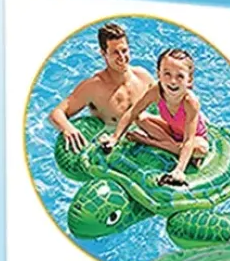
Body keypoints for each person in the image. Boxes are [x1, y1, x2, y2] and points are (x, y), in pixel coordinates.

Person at [99, 48, 209, 187]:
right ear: (158, 74)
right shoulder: (157, 91)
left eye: (180, 76)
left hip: (194, 137)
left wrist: (179, 170)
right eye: (167, 74)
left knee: (201, 149)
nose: (173, 81)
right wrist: (114, 138)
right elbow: (133, 112)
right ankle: (172, 147)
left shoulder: (190, 102)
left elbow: (188, 140)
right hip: (171, 130)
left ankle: (150, 142)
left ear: (189, 80)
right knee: (140, 118)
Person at [48, 23, 155, 152]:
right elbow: (56, 113)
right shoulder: (94, 87)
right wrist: (68, 128)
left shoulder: (143, 77)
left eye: (124, 50)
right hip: (115, 150)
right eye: (115, 52)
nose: (122, 57)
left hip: (146, 142)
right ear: (103, 53)